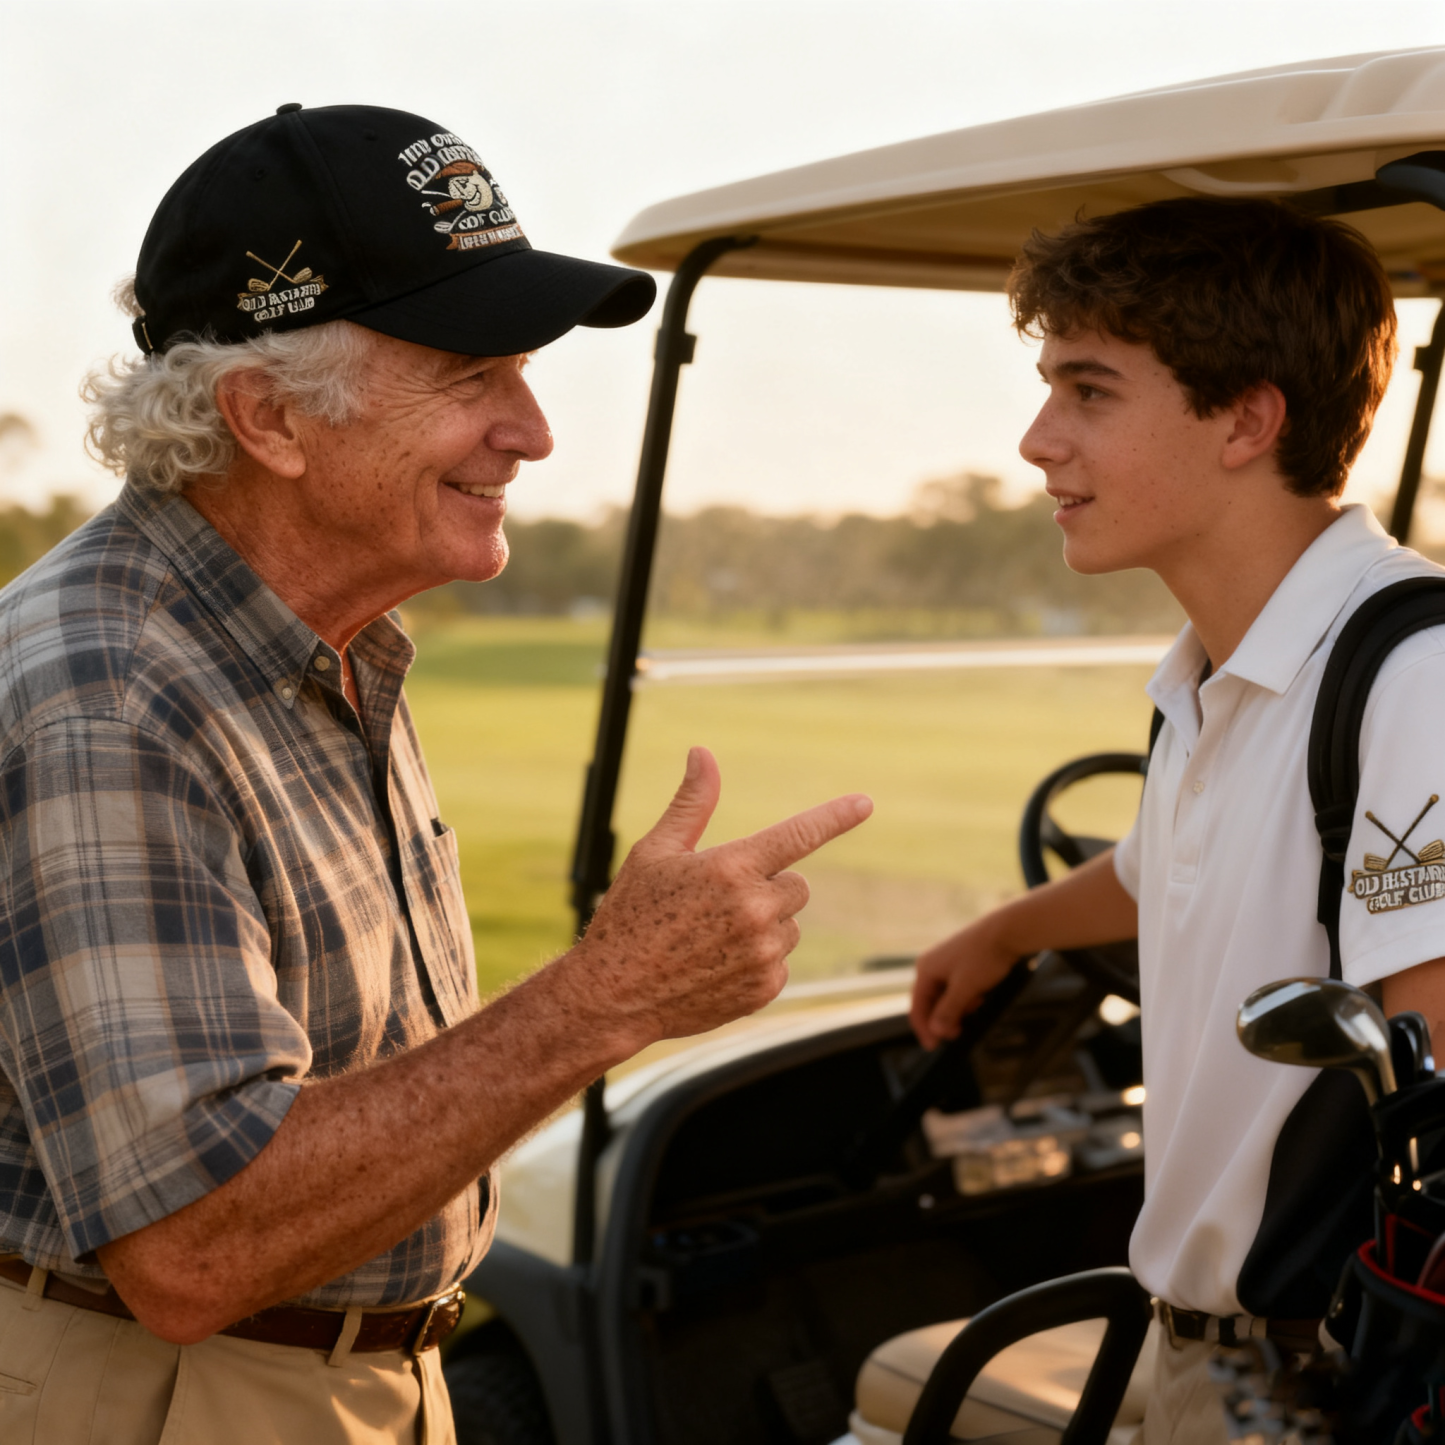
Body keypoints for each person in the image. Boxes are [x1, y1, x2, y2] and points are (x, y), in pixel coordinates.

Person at [0, 103, 871, 1445]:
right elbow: (194, 1243)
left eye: (521, 372)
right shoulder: (111, 698)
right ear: (267, 417)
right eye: (471, 376)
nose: (532, 431)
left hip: (338, 1377)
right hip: (180, 1394)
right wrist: (611, 992)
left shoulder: (325, 636)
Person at [908, 197, 1440, 1444]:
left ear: (1246, 420)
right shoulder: (1212, 673)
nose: (1037, 439)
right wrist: (1004, 931)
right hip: (1206, 1354)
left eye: (1088, 391)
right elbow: (1162, 871)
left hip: (1335, 1370)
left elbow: (1427, 1063)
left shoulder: (1411, 675)